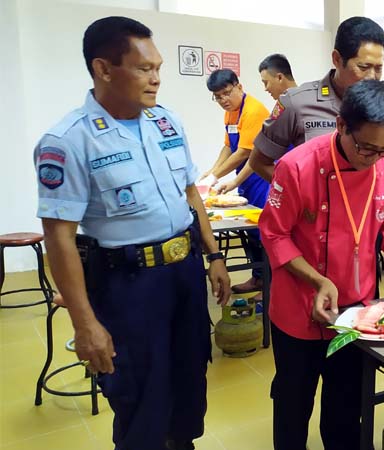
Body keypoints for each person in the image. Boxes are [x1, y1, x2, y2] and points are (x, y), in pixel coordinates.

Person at [35, 16, 230, 450]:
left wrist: (214, 256)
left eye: (158, 67)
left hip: (183, 276)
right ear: (104, 69)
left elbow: (190, 194)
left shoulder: (166, 122)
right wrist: (84, 324)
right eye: (145, 69)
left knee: (188, 382)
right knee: (142, 396)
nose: (157, 79)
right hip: (129, 286)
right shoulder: (69, 141)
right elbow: (59, 238)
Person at [259, 79, 384, 450]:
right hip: (298, 310)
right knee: (292, 404)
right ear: (342, 125)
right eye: (366, 147)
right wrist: (317, 281)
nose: (374, 157)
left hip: (357, 313)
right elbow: (274, 235)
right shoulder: (297, 165)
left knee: (347, 408)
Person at [249, 16, 384, 182]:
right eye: (363, 67)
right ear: (337, 59)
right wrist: (300, 197)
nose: (372, 77)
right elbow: (259, 162)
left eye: (378, 68)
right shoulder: (297, 103)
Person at [200, 69, 270, 296]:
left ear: (239, 86)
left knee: (264, 234)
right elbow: (228, 146)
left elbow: (245, 153)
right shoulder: (231, 113)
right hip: (247, 180)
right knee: (249, 233)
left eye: (226, 93)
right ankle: (258, 278)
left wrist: (218, 178)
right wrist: (212, 171)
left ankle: (271, 285)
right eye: (217, 96)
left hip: (262, 179)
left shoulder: (254, 110)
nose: (223, 100)